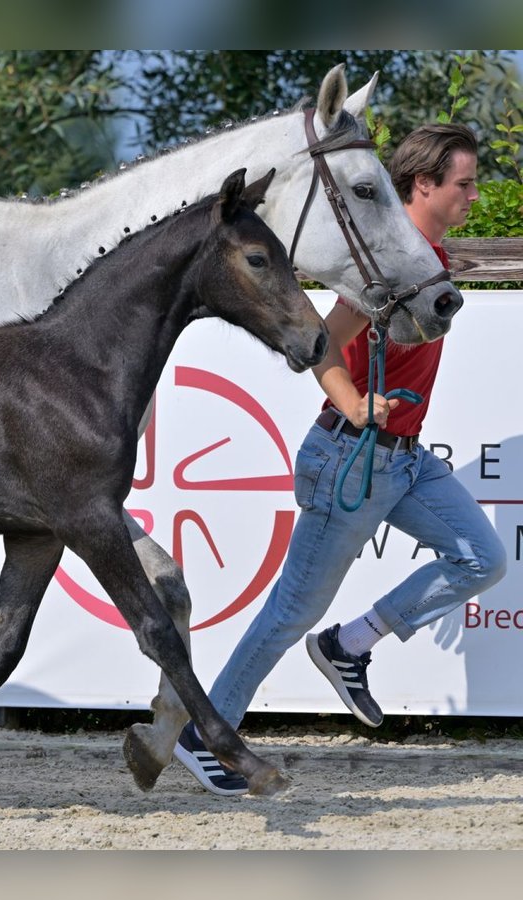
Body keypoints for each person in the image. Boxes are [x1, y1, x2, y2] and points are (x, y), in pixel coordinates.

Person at [174, 123, 508, 796]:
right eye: (464, 184)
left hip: (405, 462)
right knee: (289, 612)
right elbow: (318, 342)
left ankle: (350, 644)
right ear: (423, 185)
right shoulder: (384, 260)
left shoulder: (427, 255)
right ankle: (203, 738)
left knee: (483, 558)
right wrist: (355, 404)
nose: (474, 195)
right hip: (353, 458)